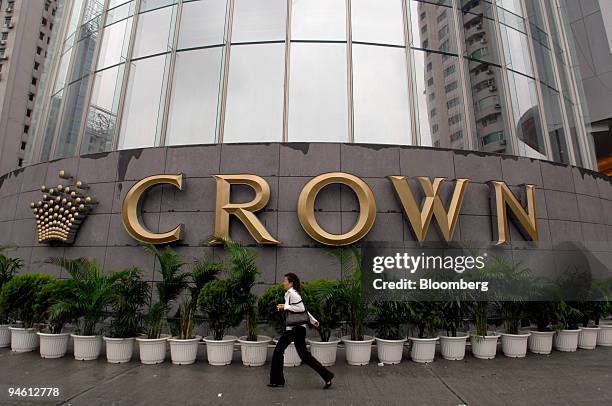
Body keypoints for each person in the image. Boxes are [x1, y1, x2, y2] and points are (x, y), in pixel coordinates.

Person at [268, 273, 335, 389]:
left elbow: (301, 309)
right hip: (296, 328)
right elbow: (302, 310)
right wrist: (313, 320)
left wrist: (286, 307)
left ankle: (277, 381)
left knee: (279, 351)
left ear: (291, 283)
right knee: (303, 355)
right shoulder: (290, 294)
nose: (283, 283)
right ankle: (327, 376)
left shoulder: (293, 294)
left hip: (296, 328)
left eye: (285, 281)